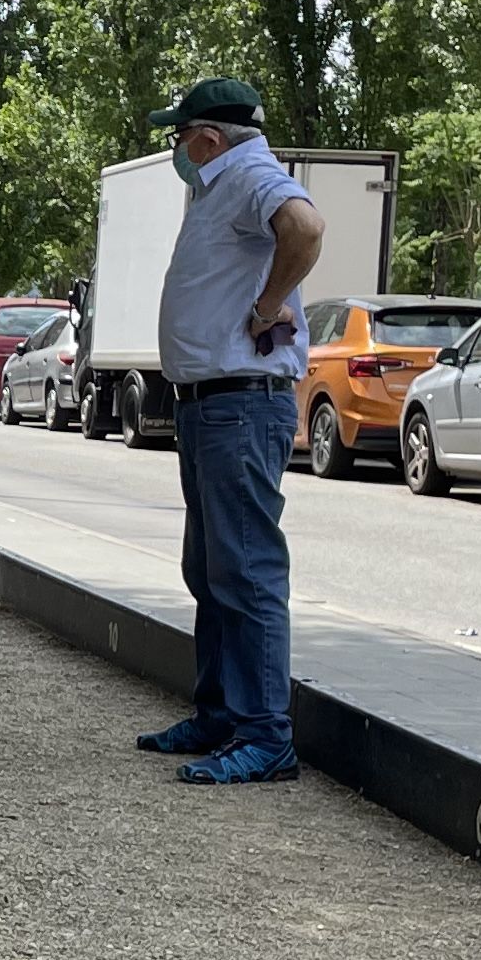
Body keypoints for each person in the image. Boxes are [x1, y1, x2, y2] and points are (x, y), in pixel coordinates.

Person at [132, 76, 324, 787]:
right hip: (214, 404)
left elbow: (305, 228)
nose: (179, 149)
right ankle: (220, 713)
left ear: (208, 139)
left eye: (180, 136)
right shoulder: (225, 183)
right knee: (213, 571)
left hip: (239, 403)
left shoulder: (248, 174)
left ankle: (265, 734)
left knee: (244, 571)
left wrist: (269, 302)